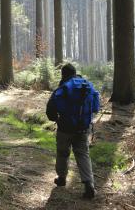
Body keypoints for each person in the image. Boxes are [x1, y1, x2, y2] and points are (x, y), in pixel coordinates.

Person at [46, 63, 100, 199]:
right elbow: (95, 107)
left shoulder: (63, 88)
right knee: (83, 154)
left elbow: (50, 109)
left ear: (63, 74)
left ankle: (62, 178)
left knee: (63, 153)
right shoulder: (87, 85)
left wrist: (55, 118)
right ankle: (89, 184)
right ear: (75, 72)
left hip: (65, 128)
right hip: (83, 128)